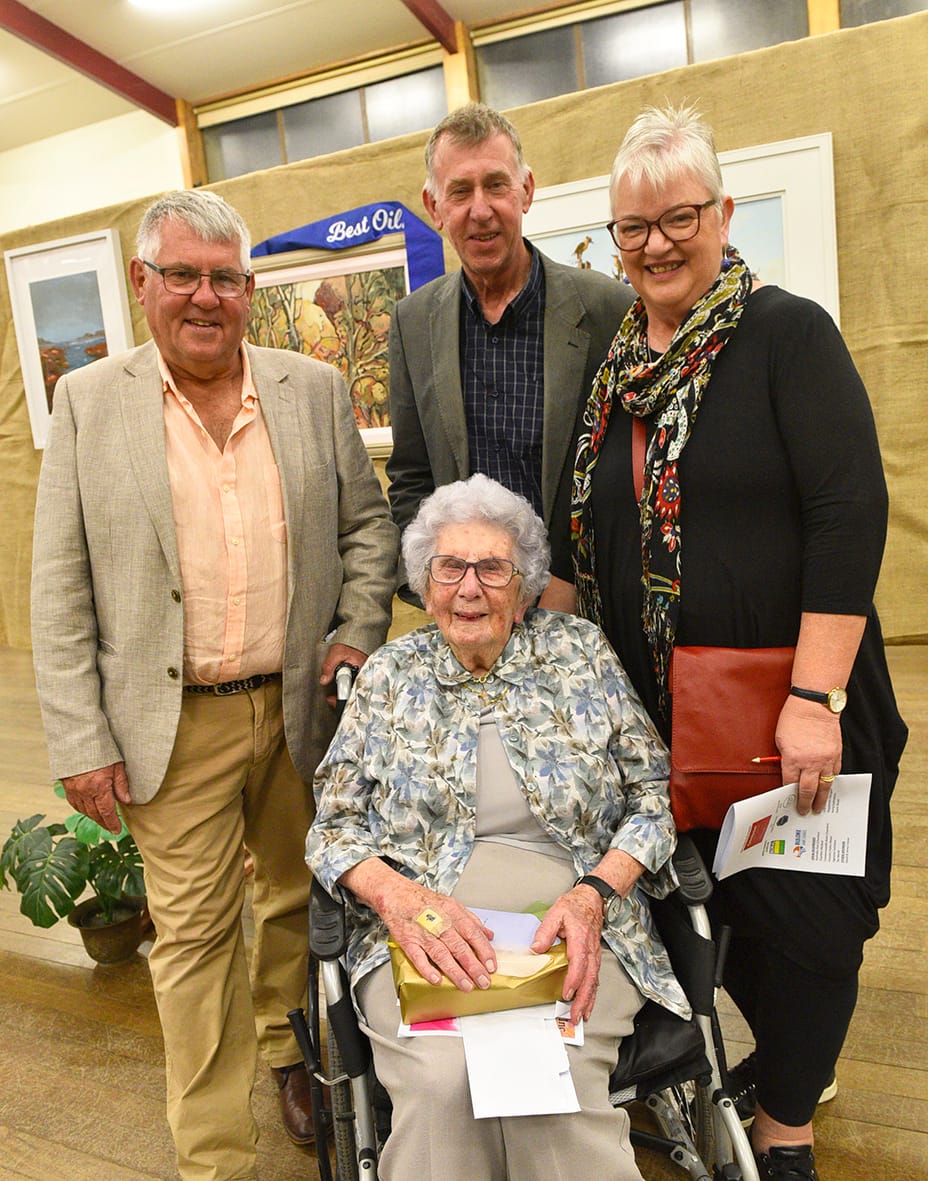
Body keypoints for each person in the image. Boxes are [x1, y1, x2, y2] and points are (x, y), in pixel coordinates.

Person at [541, 105, 908, 1181]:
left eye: (679, 217)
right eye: (631, 227)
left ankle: (788, 1120)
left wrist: (813, 696)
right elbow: (578, 536)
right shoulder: (614, 375)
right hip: (658, 720)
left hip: (784, 705)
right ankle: (756, 1062)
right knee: (703, 906)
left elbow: (849, 509)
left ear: (722, 214)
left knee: (804, 922)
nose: (655, 244)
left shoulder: (786, 334)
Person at [30, 189, 398, 1181]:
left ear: (248, 287)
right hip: (170, 721)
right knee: (191, 940)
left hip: (297, 712)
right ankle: (212, 1157)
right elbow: (59, 581)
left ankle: (291, 1053)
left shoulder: (310, 391)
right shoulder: (90, 403)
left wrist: (355, 635)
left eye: (225, 277)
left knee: (290, 897)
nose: (205, 296)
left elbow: (369, 532)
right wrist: (79, 739)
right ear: (146, 284)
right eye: (182, 275)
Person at [306, 474, 689, 1181]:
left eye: (493, 568)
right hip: (424, 927)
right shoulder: (391, 675)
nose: (470, 587)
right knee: (444, 1082)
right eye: (450, 567)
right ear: (425, 582)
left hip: (574, 919)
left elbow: (654, 791)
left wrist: (594, 894)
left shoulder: (578, 653)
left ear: (527, 584)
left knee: (554, 1084)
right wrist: (399, 901)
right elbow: (332, 825)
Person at [386, 102, 633, 601]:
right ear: (434, 208)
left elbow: (630, 472)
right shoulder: (412, 324)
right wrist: (436, 589)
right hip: (469, 610)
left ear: (526, 191)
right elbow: (411, 477)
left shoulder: (610, 309)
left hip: (590, 608)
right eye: (459, 191)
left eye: (496, 184)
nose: (481, 209)